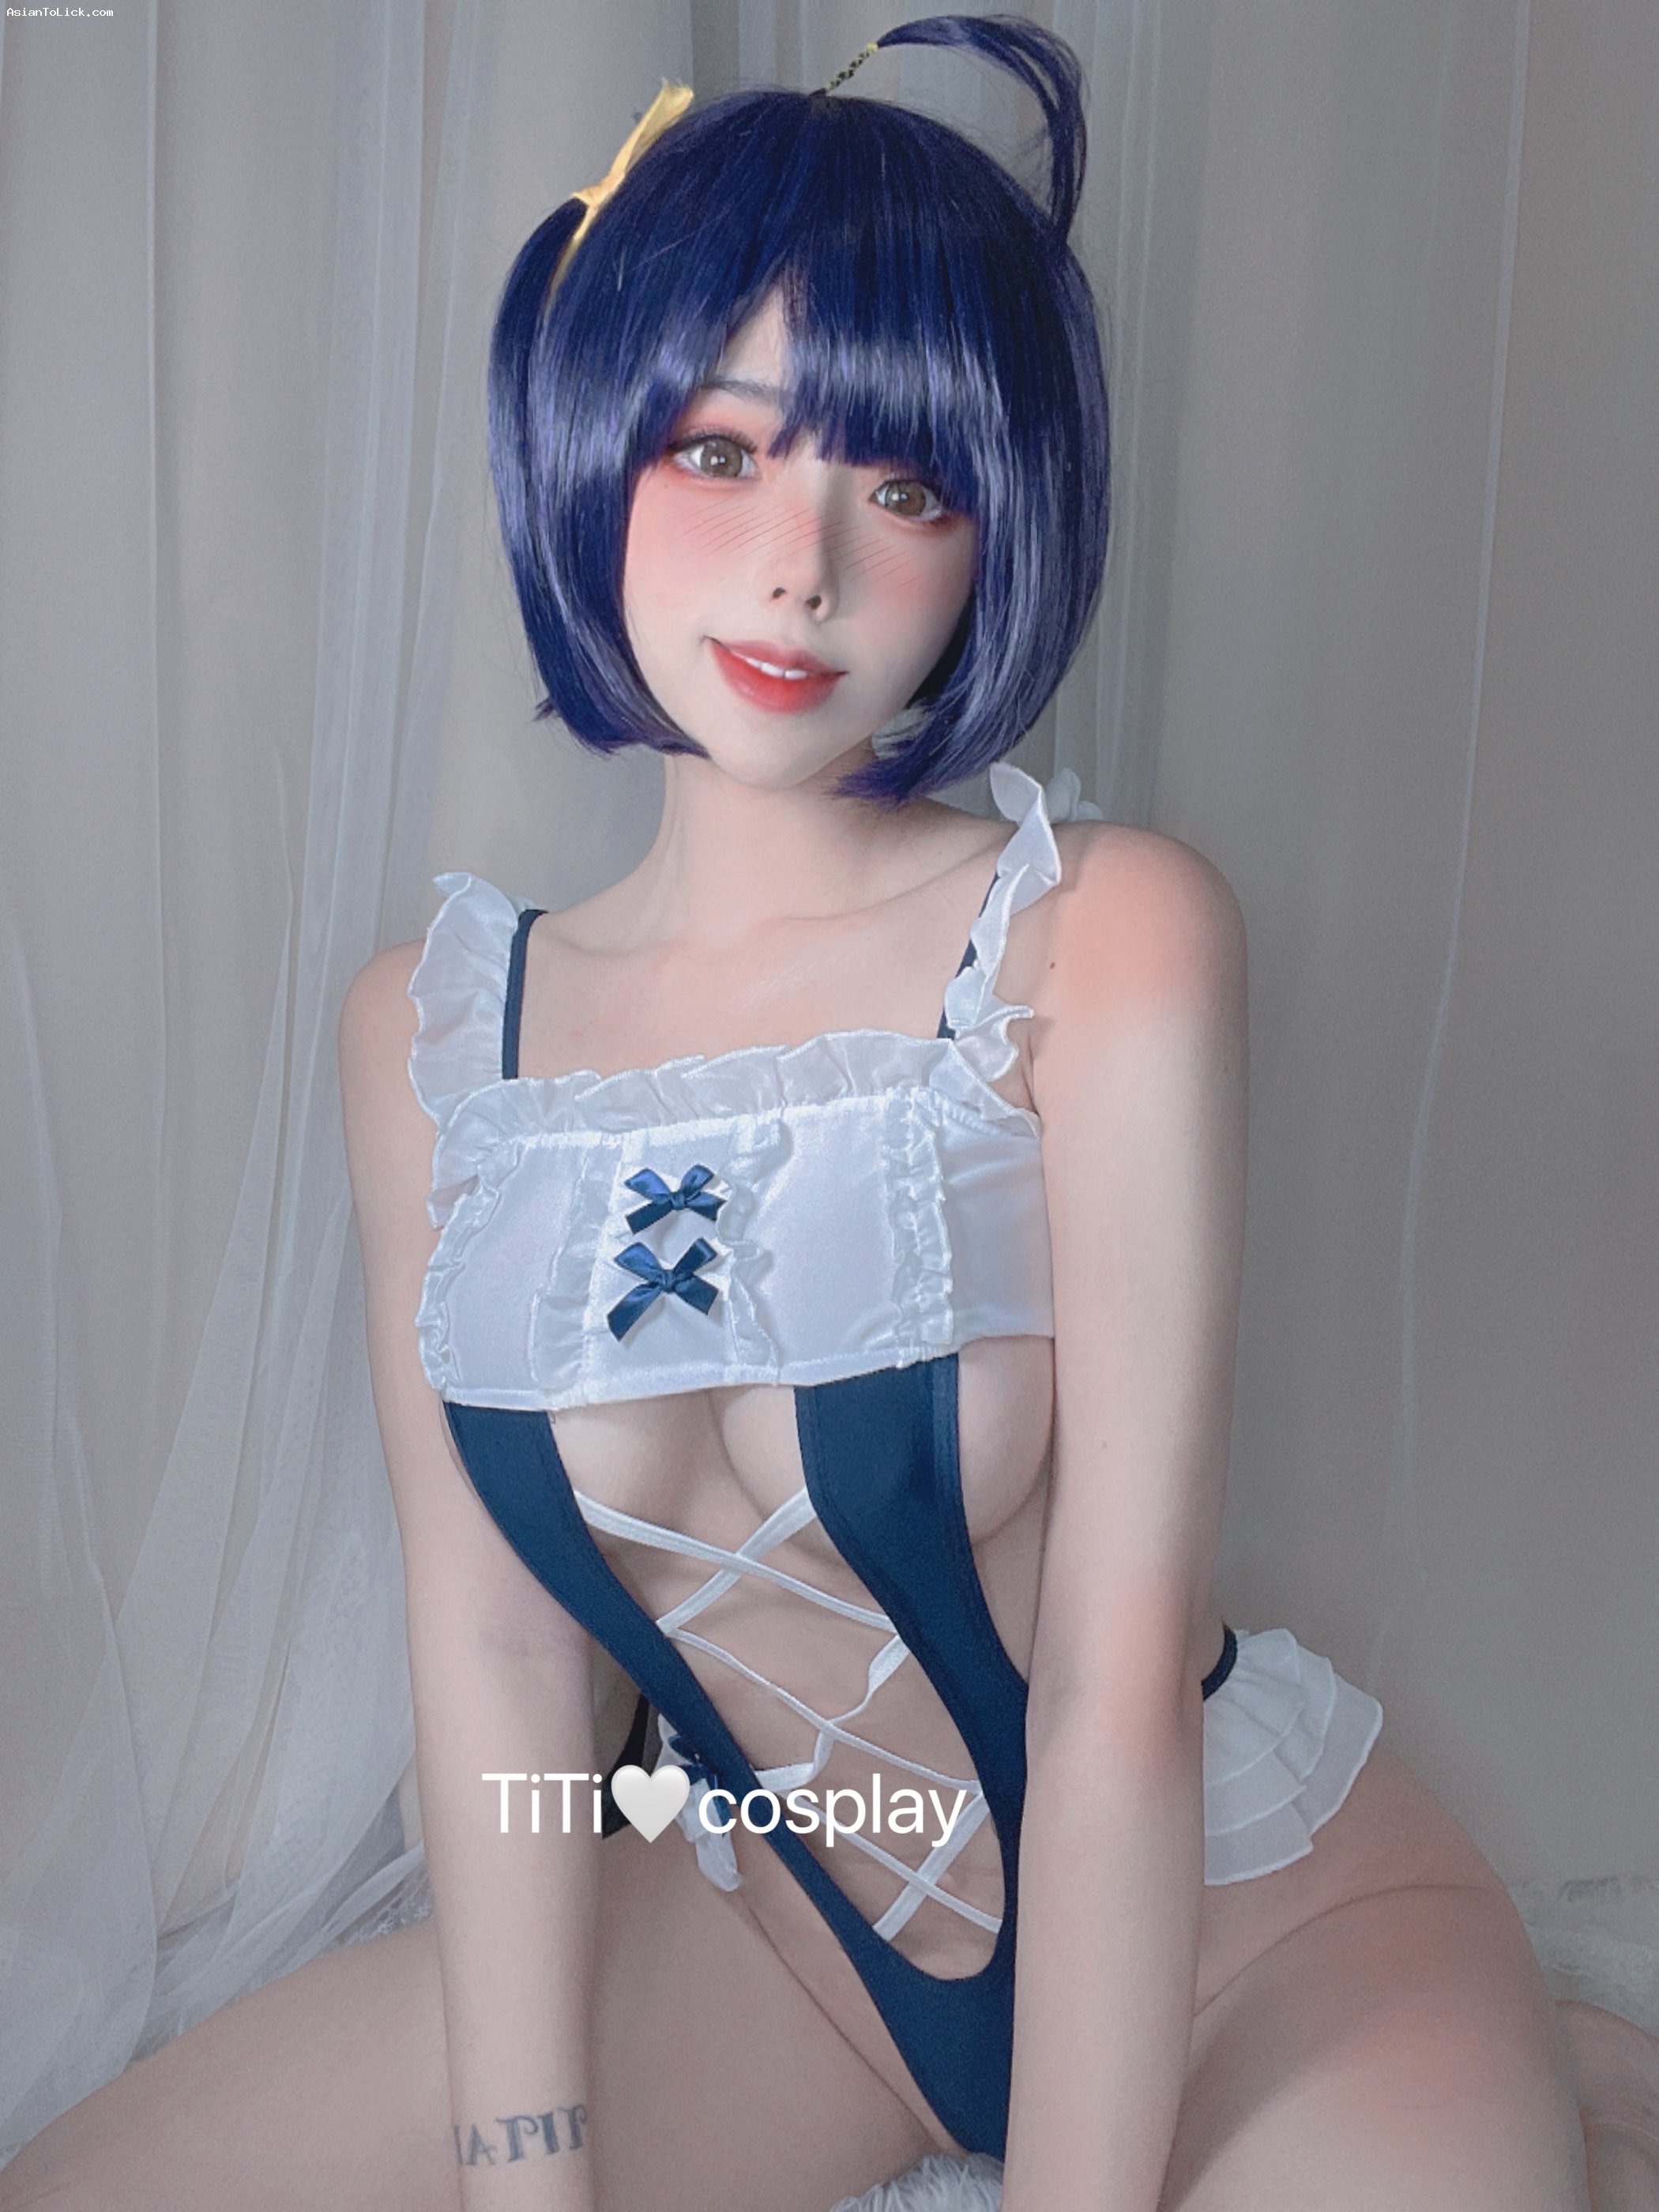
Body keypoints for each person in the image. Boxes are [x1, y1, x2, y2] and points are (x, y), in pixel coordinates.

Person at [0, 17, 1605, 2212]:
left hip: (1260, 1938)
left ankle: (1516, 2073)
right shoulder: (434, 1039)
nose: (801, 566)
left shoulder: (1102, 937)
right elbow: (498, 1660)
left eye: (905, 485)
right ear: (586, 446)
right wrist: (528, 2179)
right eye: (721, 450)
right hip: (782, 1956)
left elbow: (1118, 1678)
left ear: (991, 533)